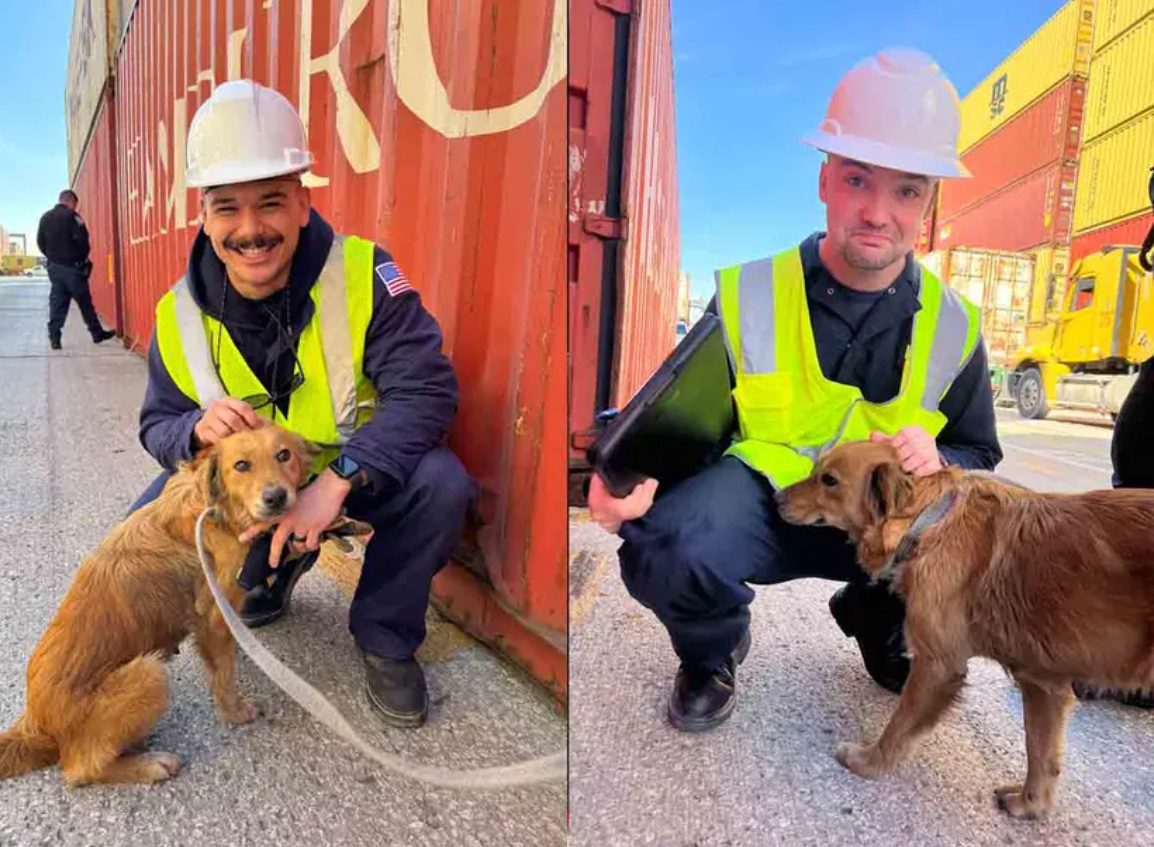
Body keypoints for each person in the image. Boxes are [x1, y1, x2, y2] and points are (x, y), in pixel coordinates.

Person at [587, 48, 1003, 732]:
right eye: (858, 180)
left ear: (928, 203)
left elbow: (979, 452)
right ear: (824, 181)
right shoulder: (754, 291)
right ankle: (711, 647)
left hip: (884, 528)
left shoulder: (955, 326)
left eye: (906, 189)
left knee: (945, 594)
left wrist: (940, 455)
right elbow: (675, 420)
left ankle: (876, 618)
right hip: (772, 504)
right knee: (666, 542)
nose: (877, 211)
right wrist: (617, 468)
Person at [128, 79, 475, 728]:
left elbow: (427, 389)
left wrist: (336, 482)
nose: (251, 229)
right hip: (253, 486)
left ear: (303, 204)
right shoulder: (178, 314)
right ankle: (273, 568)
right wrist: (193, 427)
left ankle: (385, 635)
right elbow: (157, 423)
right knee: (143, 523)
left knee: (442, 483)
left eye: (271, 203)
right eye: (228, 208)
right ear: (204, 216)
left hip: (356, 474)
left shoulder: (364, 275)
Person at [36, 189, 116, 349]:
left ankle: (54, 338)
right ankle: (97, 333)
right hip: (73, 269)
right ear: (71, 202)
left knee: (57, 303)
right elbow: (83, 241)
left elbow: (40, 242)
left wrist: (53, 257)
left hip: (55, 269)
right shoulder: (72, 217)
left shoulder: (45, 218)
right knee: (85, 302)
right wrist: (81, 258)